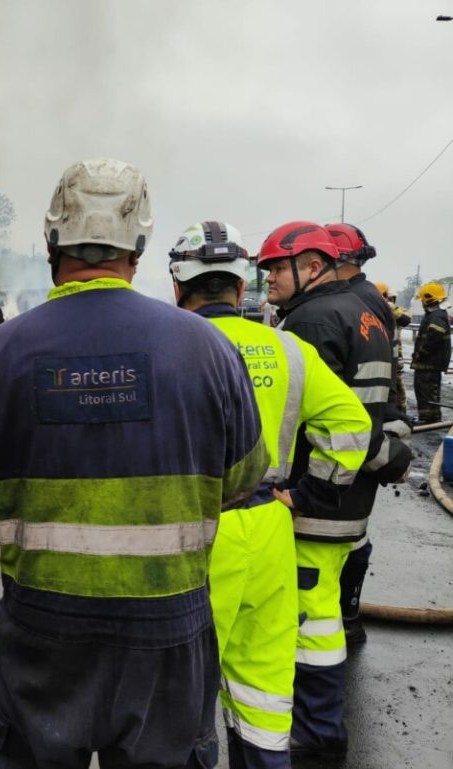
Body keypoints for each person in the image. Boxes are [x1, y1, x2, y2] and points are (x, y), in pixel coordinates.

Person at [0, 159, 269, 769]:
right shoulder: (208, 348)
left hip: (42, 631)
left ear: (51, 243)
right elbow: (240, 479)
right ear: (140, 248)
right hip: (167, 630)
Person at [169, 221, 371, 769]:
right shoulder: (290, 348)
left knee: (180, 696)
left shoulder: (165, 348)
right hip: (270, 529)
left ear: (177, 285)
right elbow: (352, 424)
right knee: (262, 692)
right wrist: (306, 494)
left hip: (194, 535)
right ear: (241, 289)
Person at [257, 221, 410, 759]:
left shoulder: (313, 321)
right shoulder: (367, 310)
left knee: (304, 623)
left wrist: (305, 497)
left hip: (318, 502)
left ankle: (314, 735)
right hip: (351, 500)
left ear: (313, 267)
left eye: (278, 266)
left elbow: (326, 423)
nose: (268, 276)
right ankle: (321, 733)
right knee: (322, 616)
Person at [323, 224, 412, 646]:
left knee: (346, 537)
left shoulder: (351, 303)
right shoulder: (368, 299)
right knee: (354, 534)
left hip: (356, 437)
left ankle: (344, 620)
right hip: (372, 427)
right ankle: (348, 618)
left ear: (335, 261)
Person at [411, 282, 452, 424]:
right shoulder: (436, 314)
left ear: (428, 299)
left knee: (426, 391)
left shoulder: (436, 316)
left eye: (422, 300)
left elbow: (433, 338)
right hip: (428, 363)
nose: (421, 302)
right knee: (425, 390)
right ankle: (428, 416)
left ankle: (429, 418)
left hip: (429, 363)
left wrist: (420, 353)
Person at [375, 281, 412, 413]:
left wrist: (391, 308)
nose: (389, 300)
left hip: (396, 355)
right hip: (379, 354)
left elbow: (406, 320)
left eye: (390, 299)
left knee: (397, 385)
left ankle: (401, 411)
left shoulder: (398, 310)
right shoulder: (371, 310)